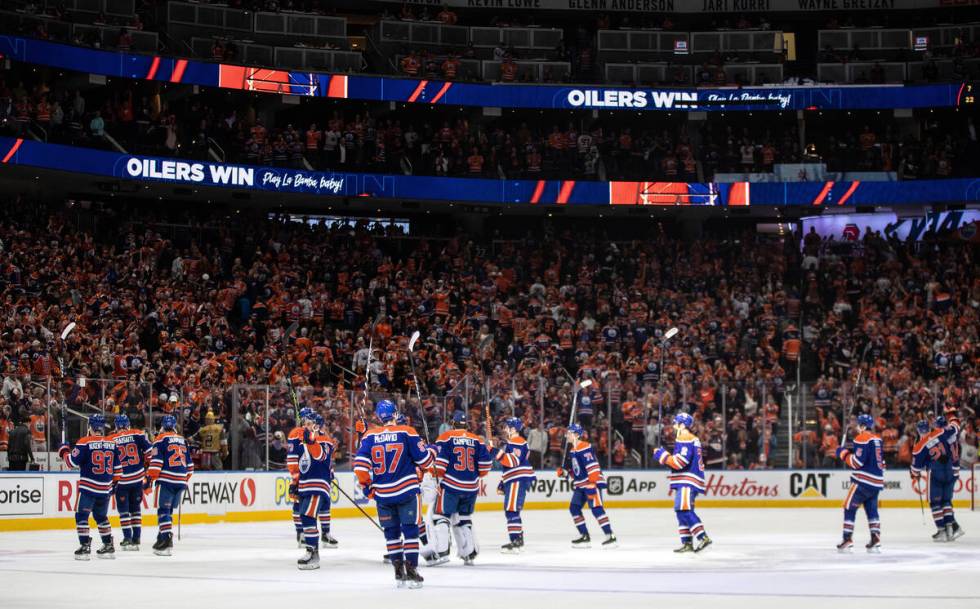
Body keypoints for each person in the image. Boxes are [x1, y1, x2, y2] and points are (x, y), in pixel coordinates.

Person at [354, 399, 434, 588]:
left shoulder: (369, 436)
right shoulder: (407, 431)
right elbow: (426, 463)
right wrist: (429, 450)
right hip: (406, 490)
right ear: (395, 414)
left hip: (383, 494)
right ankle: (412, 570)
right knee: (410, 531)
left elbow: (360, 466)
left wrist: (367, 488)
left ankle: (398, 571)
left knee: (391, 533)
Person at [430, 410, 492, 566]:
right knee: (464, 518)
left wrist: (433, 473)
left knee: (441, 516)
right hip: (471, 487)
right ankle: (469, 553)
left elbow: (440, 465)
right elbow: (485, 466)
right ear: (466, 425)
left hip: (451, 485)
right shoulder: (476, 439)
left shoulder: (446, 437)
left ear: (452, 423)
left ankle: (442, 552)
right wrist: (472, 475)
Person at [59, 413, 116, 559]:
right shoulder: (112, 443)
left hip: (89, 488)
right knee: (101, 516)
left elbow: (71, 463)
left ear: (90, 426)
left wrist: (64, 451)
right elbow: (119, 469)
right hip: (105, 489)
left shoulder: (84, 442)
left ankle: (85, 546)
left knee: (82, 516)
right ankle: (108, 545)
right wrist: (111, 485)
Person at [653, 412, 711, 553]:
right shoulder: (690, 438)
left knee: (684, 510)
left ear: (682, 425)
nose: (673, 426)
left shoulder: (684, 437)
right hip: (687, 480)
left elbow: (680, 462)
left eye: (675, 423)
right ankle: (687, 543)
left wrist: (662, 455)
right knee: (680, 510)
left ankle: (703, 537)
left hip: (687, 480)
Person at [559, 423, 617, 548]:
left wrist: (592, 483)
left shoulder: (585, 447)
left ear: (576, 435)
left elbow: (593, 467)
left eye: (569, 433)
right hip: (581, 485)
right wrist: (566, 472)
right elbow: (578, 472)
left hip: (591, 483)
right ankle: (584, 536)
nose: (566, 435)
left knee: (596, 509)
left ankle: (610, 536)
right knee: (574, 508)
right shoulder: (572, 451)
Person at [911, 410, 964, 542]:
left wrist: (914, 474)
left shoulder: (919, 446)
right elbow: (955, 428)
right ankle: (951, 529)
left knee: (935, 503)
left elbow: (915, 469)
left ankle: (942, 531)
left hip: (935, 472)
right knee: (946, 501)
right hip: (950, 469)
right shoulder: (940, 432)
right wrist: (952, 416)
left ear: (919, 431)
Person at [145, 414, 193, 556]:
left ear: (162, 427)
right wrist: (182, 478)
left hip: (166, 480)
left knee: (163, 511)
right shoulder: (183, 440)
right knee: (169, 511)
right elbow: (190, 467)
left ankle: (166, 540)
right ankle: (161, 538)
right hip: (181, 481)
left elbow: (156, 464)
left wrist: (149, 479)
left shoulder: (160, 439)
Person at [835, 413, 884, 553]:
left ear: (863, 426)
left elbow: (857, 463)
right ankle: (875, 540)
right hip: (876, 482)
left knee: (849, 507)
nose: (857, 427)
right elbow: (882, 463)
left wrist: (843, 454)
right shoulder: (877, 439)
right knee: (872, 510)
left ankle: (847, 539)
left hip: (863, 481)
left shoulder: (861, 438)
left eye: (858, 424)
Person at [293, 409, 334, 570]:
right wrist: (295, 483)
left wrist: (310, 442)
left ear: (317, 426)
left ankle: (313, 553)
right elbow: (300, 464)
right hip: (305, 485)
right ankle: (312, 551)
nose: (305, 426)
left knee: (308, 516)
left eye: (309, 424)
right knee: (305, 517)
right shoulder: (303, 441)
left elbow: (321, 456)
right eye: (304, 424)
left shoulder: (325, 440)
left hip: (317, 486)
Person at [110, 413, 151, 550]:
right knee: (135, 509)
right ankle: (137, 537)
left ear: (116, 426)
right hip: (138, 478)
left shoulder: (111, 439)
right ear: (128, 424)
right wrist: (147, 468)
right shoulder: (137, 434)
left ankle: (127, 537)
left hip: (122, 481)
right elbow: (150, 451)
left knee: (124, 511)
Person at [494, 416, 535, 553]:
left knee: (511, 510)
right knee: (512, 510)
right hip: (514, 479)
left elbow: (512, 462)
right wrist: (502, 483)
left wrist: (493, 450)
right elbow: (509, 467)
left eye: (506, 427)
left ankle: (515, 541)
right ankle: (518, 539)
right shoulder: (514, 442)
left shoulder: (517, 442)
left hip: (517, 480)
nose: (504, 429)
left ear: (513, 429)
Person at [314, 412, 339, 550]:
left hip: (322, 478)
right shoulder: (321, 439)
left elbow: (328, 459)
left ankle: (325, 533)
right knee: (316, 507)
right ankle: (311, 535)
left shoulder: (324, 439)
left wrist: (330, 471)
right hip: (317, 478)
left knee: (324, 505)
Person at [286, 409, 307, 547]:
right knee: (299, 502)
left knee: (308, 503)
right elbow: (292, 459)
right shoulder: (295, 434)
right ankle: (301, 532)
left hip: (310, 474)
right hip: (301, 475)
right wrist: (296, 477)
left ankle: (306, 531)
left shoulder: (311, 433)